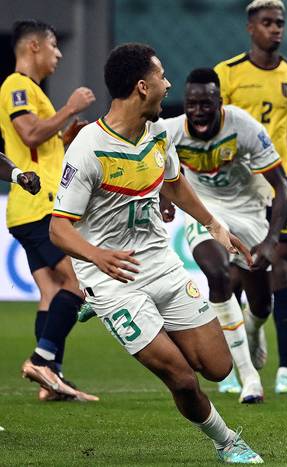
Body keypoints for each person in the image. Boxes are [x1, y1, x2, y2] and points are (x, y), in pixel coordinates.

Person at [49, 43, 262, 464]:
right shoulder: (88, 147)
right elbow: (58, 227)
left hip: (161, 265)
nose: (168, 84)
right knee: (182, 379)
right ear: (142, 87)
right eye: (162, 77)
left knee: (218, 368)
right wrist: (96, 257)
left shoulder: (159, 132)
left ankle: (149, 328)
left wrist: (215, 225)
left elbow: (176, 183)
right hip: (113, 279)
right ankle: (227, 442)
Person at [160, 67, 287, 402]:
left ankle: (253, 328)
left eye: (206, 103)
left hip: (248, 210)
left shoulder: (244, 126)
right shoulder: (171, 131)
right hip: (204, 209)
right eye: (192, 104)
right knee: (216, 275)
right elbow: (151, 165)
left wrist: (271, 240)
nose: (198, 111)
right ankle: (248, 377)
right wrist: (165, 199)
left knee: (261, 305)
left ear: (220, 101)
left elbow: (283, 186)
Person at [214, 0, 287, 396]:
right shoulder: (227, 75)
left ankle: (286, 370)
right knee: (235, 271)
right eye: (268, 23)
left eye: (281, 23)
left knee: (283, 266)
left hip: (279, 189)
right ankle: (237, 355)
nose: (277, 29)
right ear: (250, 28)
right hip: (236, 190)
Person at [0, 19, 97, 401]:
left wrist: (64, 136)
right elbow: (29, 134)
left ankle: (51, 381)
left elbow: (39, 142)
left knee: (51, 290)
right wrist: (69, 108)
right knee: (78, 284)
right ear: (34, 47)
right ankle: (42, 360)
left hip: (29, 209)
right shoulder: (16, 86)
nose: (59, 53)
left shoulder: (32, 90)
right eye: (54, 45)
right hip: (38, 206)